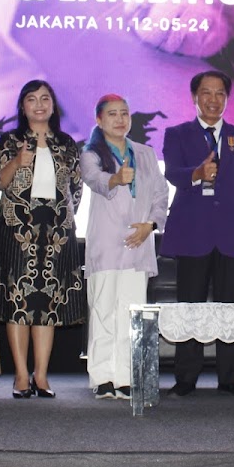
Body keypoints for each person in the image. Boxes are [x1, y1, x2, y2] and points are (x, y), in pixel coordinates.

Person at [161, 70, 234, 398]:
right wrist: (197, 172)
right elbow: (173, 174)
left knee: (229, 309)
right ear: (195, 97)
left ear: (227, 99)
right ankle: (185, 378)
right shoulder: (177, 134)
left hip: (233, 236)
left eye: (220, 93)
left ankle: (229, 378)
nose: (213, 100)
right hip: (193, 234)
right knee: (189, 308)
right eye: (206, 93)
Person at [0, 80, 85, 399]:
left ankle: (41, 376)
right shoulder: (10, 140)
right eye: (32, 99)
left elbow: (76, 189)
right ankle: (21, 375)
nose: (39, 104)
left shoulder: (67, 143)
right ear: (22, 106)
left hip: (56, 232)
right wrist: (17, 161)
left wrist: (63, 220)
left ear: (54, 105)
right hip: (17, 231)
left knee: (47, 305)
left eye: (45, 98)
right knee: (18, 302)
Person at [81, 94, 169, 400]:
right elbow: (94, 180)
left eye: (124, 113)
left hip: (138, 243)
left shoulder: (145, 153)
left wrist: (151, 225)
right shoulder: (91, 153)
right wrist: (116, 179)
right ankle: (102, 377)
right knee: (104, 311)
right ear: (99, 120)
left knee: (131, 313)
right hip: (106, 244)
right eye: (112, 114)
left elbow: (160, 194)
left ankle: (126, 377)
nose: (120, 119)